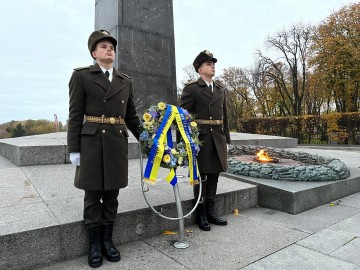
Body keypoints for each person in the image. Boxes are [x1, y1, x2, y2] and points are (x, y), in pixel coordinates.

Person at [67, 30, 139, 268]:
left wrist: (148, 140)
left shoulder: (125, 80)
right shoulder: (82, 77)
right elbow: (75, 115)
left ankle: (108, 241)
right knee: (92, 195)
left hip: (116, 142)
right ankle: (95, 244)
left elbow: (132, 117)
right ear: (94, 53)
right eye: (104, 46)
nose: (110, 49)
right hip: (91, 143)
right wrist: (73, 149)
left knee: (112, 195)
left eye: (112, 47)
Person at [179, 50, 231, 231]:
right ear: (199, 69)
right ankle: (200, 213)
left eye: (213, 63)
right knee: (200, 176)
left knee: (215, 175)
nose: (212, 66)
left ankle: (211, 211)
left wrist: (227, 138)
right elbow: (183, 117)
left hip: (218, 136)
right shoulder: (192, 89)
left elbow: (224, 115)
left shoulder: (220, 89)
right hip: (201, 138)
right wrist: (184, 142)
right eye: (208, 64)